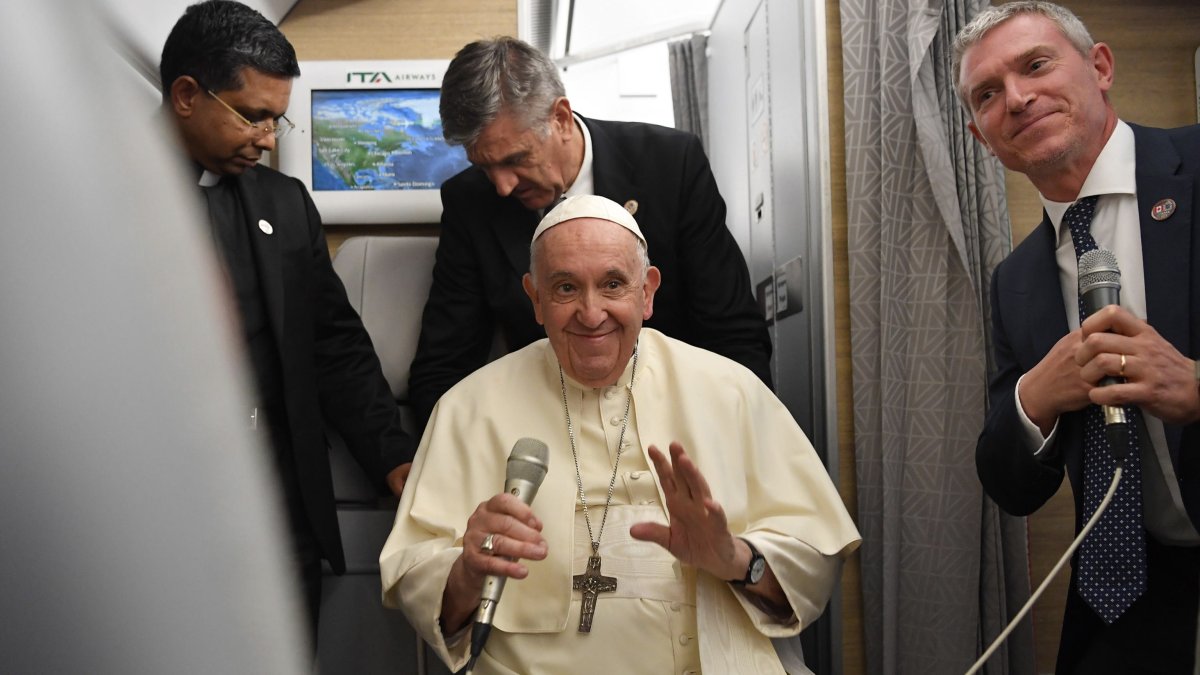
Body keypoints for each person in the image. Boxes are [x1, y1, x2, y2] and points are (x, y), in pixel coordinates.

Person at [380, 195, 859, 674]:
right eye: (566, 288)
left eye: (612, 284)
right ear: (536, 300)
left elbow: (814, 560)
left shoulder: (731, 390)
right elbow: (413, 574)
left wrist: (734, 557)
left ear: (647, 292)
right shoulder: (467, 408)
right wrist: (466, 571)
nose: (591, 314)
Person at [159, 0, 414, 645]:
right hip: (163, 512)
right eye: (253, 116)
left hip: (281, 515)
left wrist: (394, 458)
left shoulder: (284, 204)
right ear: (187, 94)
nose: (269, 139)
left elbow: (333, 344)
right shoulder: (95, 194)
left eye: (278, 119)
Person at [957, 2, 1200, 672]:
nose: (1016, 97)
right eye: (987, 94)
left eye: (1035, 65)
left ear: (1100, 67)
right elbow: (1010, 482)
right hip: (1130, 606)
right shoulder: (1015, 281)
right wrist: (1037, 395)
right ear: (981, 135)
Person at [407, 36, 773, 432]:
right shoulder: (470, 202)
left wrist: (741, 442)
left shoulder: (670, 164)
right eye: (485, 167)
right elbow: (444, 364)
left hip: (676, 423)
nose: (503, 187)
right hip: (547, 428)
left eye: (516, 160)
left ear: (560, 118)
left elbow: (733, 333)